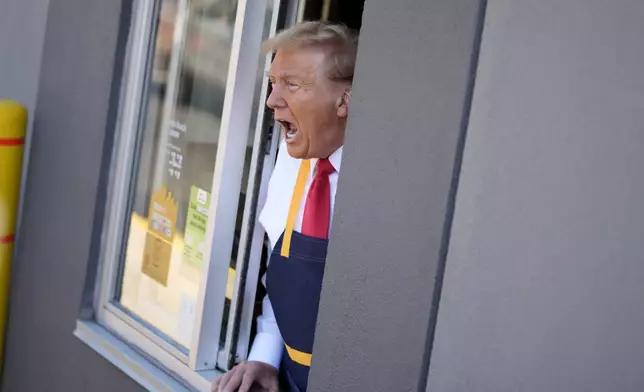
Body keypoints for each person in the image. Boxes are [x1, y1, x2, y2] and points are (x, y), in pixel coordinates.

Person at [212, 21, 358, 392]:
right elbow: (286, 278)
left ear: (345, 101)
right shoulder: (293, 160)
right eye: (273, 83)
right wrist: (265, 356)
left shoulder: (379, 187)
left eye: (291, 84)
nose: (272, 101)